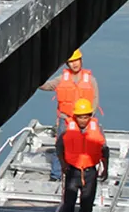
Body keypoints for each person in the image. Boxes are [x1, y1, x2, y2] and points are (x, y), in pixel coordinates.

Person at [40, 49, 100, 180]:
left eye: (76, 60)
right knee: (60, 146)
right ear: (67, 64)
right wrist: (35, 80)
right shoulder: (61, 79)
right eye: (71, 61)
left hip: (83, 119)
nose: (74, 64)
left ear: (81, 60)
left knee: (85, 147)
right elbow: (47, 86)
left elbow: (95, 99)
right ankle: (56, 174)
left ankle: (83, 172)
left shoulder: (90, 80)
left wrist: (87, 118)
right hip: (65, 118)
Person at [56, 98, 109, 212]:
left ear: (90, 116)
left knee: (87, 205)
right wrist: (62, 163)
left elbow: (104, 149)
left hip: (90, 172)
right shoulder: (67, 129)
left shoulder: (97, 129)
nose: (83, 120)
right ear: (75, 116)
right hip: (72, 172)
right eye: (80, 117)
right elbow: (59, 146)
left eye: (86, 117)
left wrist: (105, 168)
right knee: (69, 204)